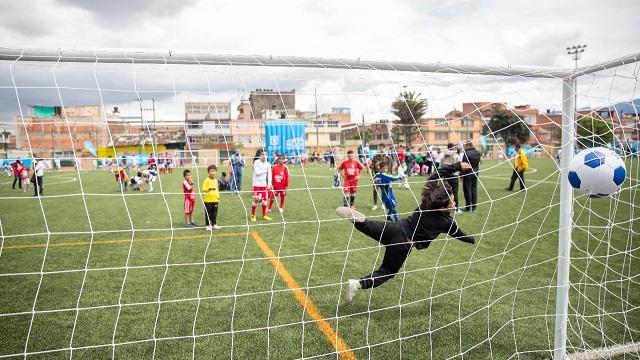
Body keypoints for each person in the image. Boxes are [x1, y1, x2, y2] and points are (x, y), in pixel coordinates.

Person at [336, 161, 475, 303]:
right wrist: (474, 239)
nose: (455, 202)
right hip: (404, 243)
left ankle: (360, 220)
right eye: (452, 201)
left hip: (395, 227)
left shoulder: (427, 200)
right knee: (387, 272)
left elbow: (437, 173)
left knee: (368, 225)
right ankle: (358, 284)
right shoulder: (448, 223)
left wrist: (456, 166)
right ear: (444, 206)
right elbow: (461, 235)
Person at [440, 143, 462, 214]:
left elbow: (441, 164)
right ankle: (455, 208)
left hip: (446, 175)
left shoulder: (444, 155)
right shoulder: (455, 155)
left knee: (446, 191)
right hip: (453, 176)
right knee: (454, 192)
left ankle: (446, 207)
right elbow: (459, 165)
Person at [251, 149, 272, 222]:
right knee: (256, 200)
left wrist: (269, 183)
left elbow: (269, 175)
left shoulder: (268, 164)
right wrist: (265, 170)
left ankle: (264, 215)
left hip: (264, 185)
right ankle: (253, 215)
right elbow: (257, 173)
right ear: (260, 155)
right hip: (256, 184)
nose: (264, 156)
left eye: (265, 154)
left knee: (264, 201)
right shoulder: (256, 162)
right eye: (262, 154)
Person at [461, 142, 482, 212]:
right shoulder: (478, 152)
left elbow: (464, 165)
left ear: (468, 146)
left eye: (465, 146)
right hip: (476, 172)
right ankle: (474, 207)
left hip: (468, 173)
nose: (464, 147)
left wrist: (461, 175)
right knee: (474, 189)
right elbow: (479, 162)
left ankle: (468, 207)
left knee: (467, 190)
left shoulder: (466, 153)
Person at [202, 165, 221, 230]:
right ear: (208, 172)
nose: (213, 172)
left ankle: (214, 224)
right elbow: (204, 189)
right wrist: (209, 189)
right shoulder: (206, 180)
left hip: (215, 199)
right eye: (211, 171)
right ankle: (207, 225)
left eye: (214, 171)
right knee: (208, 213)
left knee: (214, 213)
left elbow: (217, 189)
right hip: (208, 200)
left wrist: (218, 197)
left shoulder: (215, 180)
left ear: (216, 172)